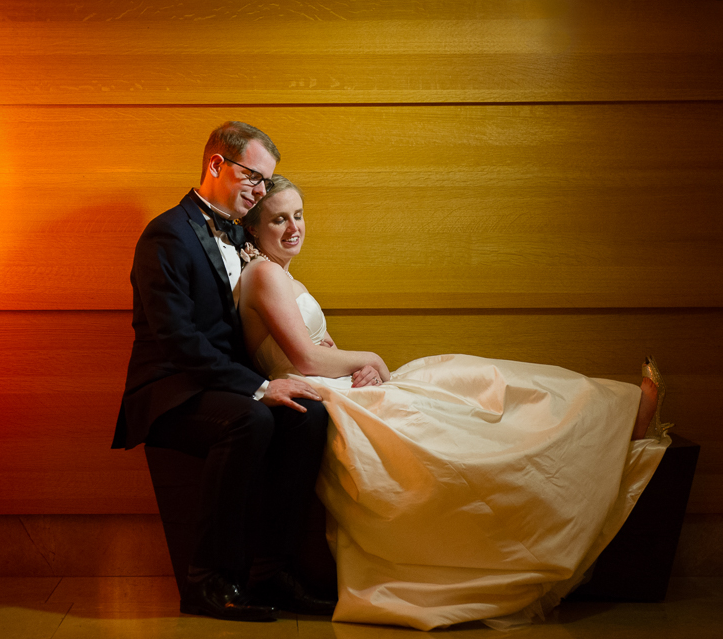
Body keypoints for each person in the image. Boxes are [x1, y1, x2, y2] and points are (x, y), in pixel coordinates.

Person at [237, 175, 672, 630]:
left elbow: (314, 349)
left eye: (299, 215)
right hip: (316, 394)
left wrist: (352, 365)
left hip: (334, 384)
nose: (294, 227)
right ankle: (611, 420)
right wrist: (368, 358)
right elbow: (304, 360)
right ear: (253, 228)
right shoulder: (264, 273)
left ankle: (613, 413)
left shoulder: (279, 272)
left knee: (470, 379)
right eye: (279, 219)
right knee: (464, 410)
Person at [112, 123, 336, 622]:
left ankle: (273, 571)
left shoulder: (241, 234)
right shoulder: (165, 235)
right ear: (216, 165)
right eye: (253, 178)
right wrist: (259, 386)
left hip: (222, 385)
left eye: (265, 182)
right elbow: (178, 340)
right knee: (250, 419)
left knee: (309, 415)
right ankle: (207, 582)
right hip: (171, 391)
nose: (260, 192)